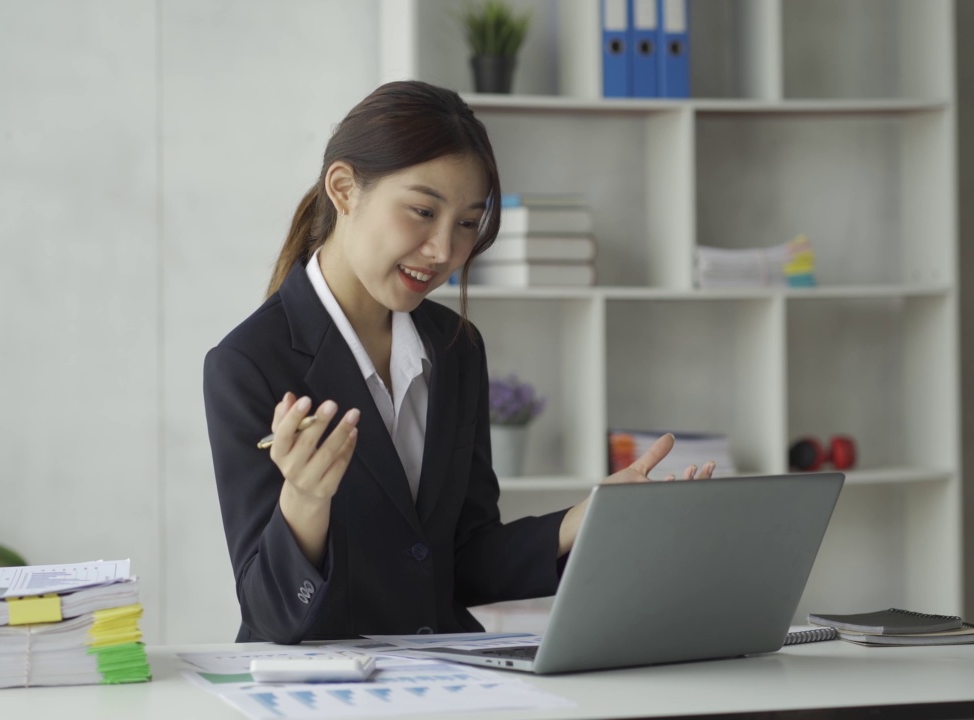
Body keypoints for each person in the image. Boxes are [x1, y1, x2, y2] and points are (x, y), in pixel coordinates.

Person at [203, 80, 715, 644]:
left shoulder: (456, 347)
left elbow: (461, 558)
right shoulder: (246, 364)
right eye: (423, 211)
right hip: (320, 694)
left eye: (468, 223)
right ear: (344, 189)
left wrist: (587, 518)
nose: (444, 251)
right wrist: (304, 500)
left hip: (449, 680)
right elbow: (272, 615)